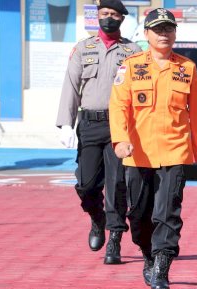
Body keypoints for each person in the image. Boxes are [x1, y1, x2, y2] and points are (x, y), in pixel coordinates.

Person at [108, 8, 197, 289]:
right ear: (146, 35)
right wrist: (119, 140)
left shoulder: (187, 68)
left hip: (175, 151)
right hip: (138, 153)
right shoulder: (130, 67)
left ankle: (162, 267)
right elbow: (118, 106)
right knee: (139, 215)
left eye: (169, 29)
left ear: (175, 33)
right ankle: (148, 254)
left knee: (167, 213)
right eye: (158, 29)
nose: (164, 34)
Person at [56, 0, 140, 264]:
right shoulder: (83, 48)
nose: (108, 18)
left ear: (122, 19)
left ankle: (114, 238)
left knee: (117, 184)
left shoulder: (133, 51)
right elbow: (70, 86)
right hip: (90, 123)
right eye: (104, 13)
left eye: (114, 14)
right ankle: (96, 218)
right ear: (97, 16)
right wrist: (66, 123)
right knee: (86, 183)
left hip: (120, 125)